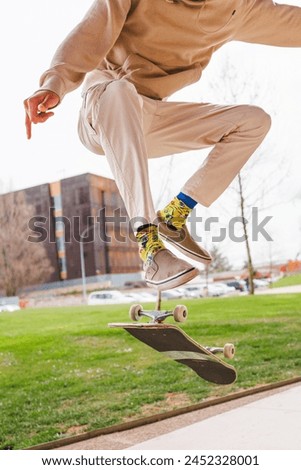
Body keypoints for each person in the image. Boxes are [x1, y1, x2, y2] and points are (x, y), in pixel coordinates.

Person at [24, 0, 301, 290]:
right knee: (121, 91)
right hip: (104, 105)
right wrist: (54, 83)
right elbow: (91, 31)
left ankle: (175, 215)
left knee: (253, 121)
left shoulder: (239, 9)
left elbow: (292, 24)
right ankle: (150, 247)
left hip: (151, 116)